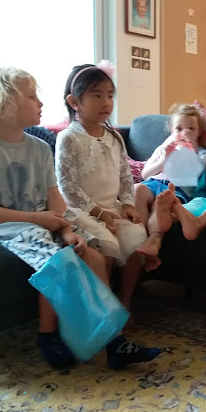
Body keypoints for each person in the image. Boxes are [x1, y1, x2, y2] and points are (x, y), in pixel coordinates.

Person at [0, 66, 160, 369]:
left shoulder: (39, 148)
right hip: (7, 226)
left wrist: (67, 231)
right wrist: (41, 220)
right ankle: (49, 335)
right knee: (58, 262)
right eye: (31, 96)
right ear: (3, 103)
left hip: (45, 219)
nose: (40, 103)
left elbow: (54, 199)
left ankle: (112, 339)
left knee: (92, 257)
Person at [56, 62, 154, 316]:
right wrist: (99, 213)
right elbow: (67, 186)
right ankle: (106, 310)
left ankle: (125, 303)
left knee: (136, 239)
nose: (106, 103)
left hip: (114, 207)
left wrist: (129, 204)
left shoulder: (115, 137)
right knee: (107, 246)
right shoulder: (68, 138)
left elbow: (125, 176)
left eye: (110, 96)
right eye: (96, 95)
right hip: (81, 211)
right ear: (74, 101)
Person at [133, 103, 206, 263]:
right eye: (179, 129)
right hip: (154, 183)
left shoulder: (201, 154)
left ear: (199, 131)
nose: (184, 133)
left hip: (177, 190)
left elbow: (193, 179)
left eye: (191, 129)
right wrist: (163, 159)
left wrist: (188, 152)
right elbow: (145, 174)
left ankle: (153, 242)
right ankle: (138, 241)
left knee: (162, 203)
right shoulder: (163, 148)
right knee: (137, 189)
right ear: (171, 130)